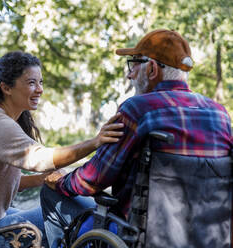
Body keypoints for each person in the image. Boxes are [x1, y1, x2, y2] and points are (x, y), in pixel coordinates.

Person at [40, 29, 233, 247]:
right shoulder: (220, 114)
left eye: (134, 65)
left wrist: (60, 180)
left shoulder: (137, 110)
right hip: (207, 237)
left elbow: (92, 180)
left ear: (151, 69)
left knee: (50, 193)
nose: (129, 74)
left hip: (138, 236)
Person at [0, 51, 124, 248]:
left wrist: (40, 179)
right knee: (69, 215)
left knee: (64, 210)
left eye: (41, 82)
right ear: (6, 88)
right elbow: (41, 160)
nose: (39, 89)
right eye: (31, 83)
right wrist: (95, 142)